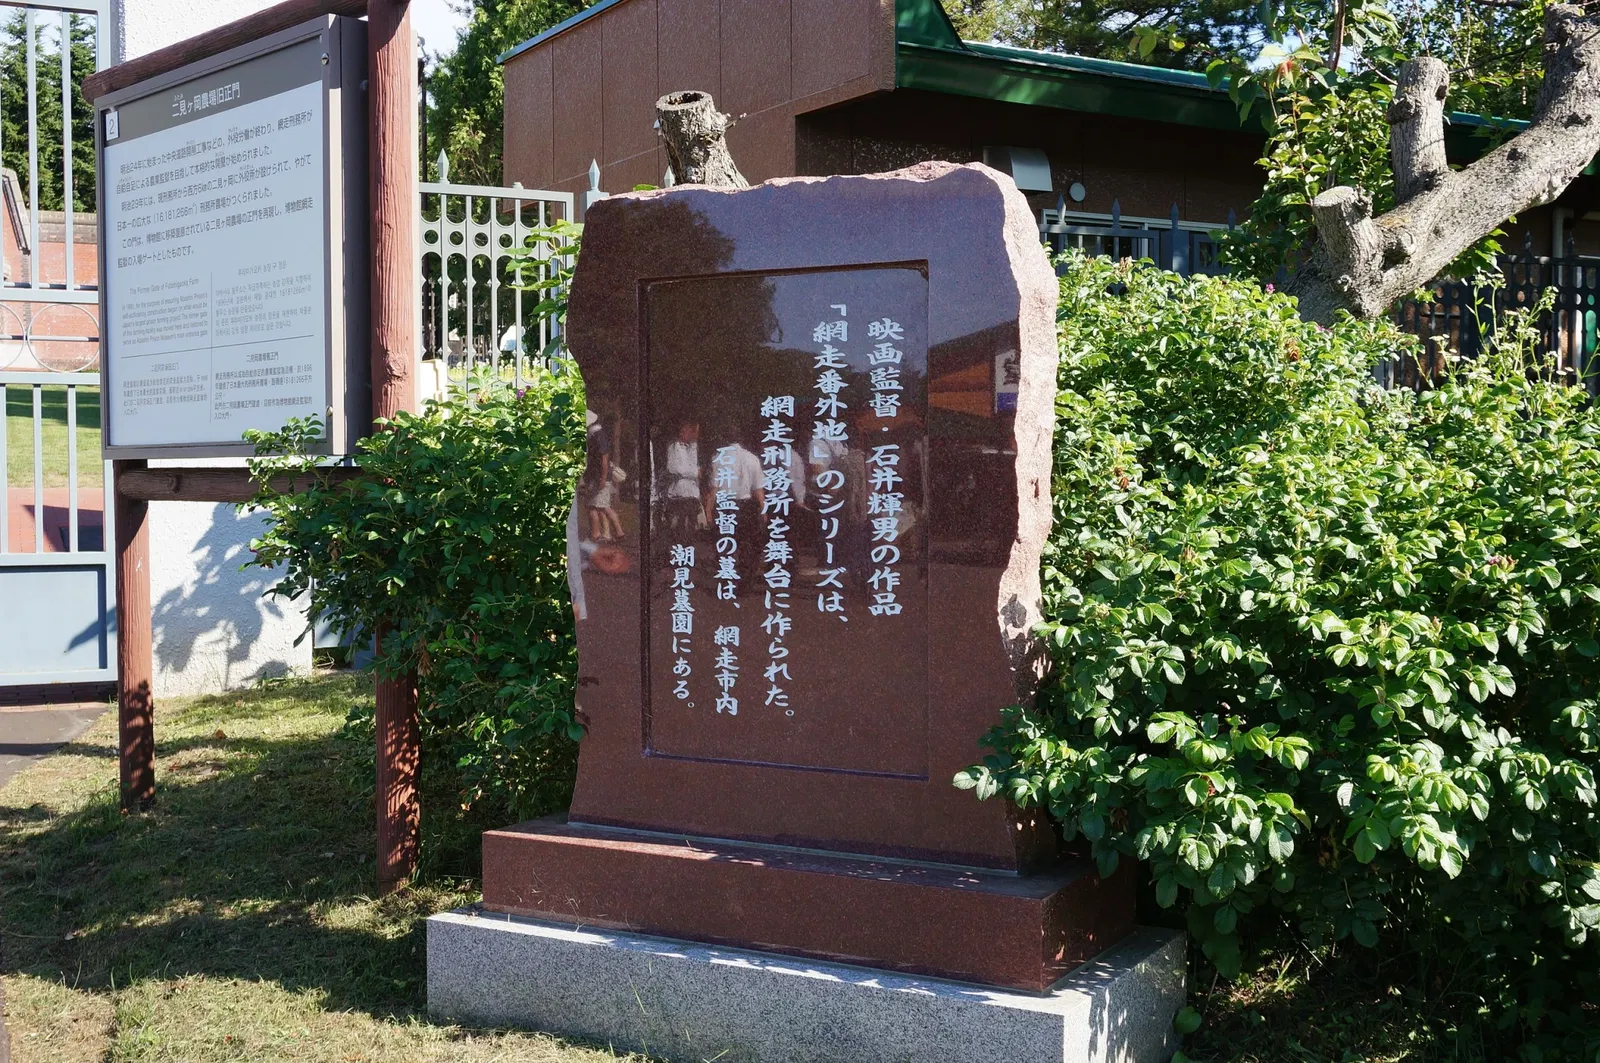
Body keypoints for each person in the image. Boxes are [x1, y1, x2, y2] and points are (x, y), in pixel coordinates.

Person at [584, 410, 625, 542]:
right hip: (597, 476)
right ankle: (609, 533)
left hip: (599, 477)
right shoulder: (598, 435)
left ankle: (607, 533)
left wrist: (602, 478)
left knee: (598, 507)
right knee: (601, 506)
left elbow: (604, 460)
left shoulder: (598, 436)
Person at [661, 420, 704, 539]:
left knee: (691, 527)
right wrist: (695, 472)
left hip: (692, 493)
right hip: (680, 493)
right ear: (683, 432)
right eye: (691, 432)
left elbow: (692, 464)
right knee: (680, 527)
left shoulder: (691, 447)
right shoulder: (675, 447)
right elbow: (675, 469)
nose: (694, 435)